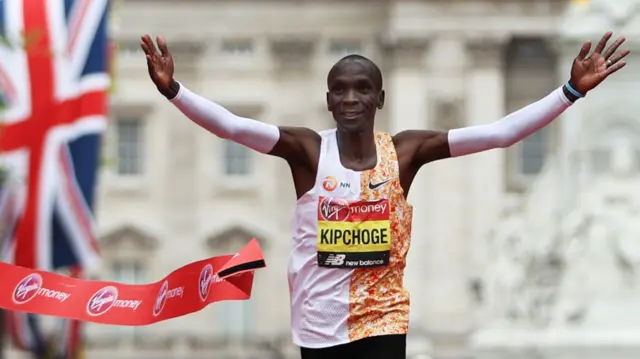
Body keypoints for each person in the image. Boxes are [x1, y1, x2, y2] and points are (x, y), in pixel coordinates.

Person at [140, 31, 628, 359]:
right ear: (328, 100)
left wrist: (569, 91)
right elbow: (233, 127)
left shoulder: (406, 151)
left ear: (379, 98)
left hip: (383, 317)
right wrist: (174, 91)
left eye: (361, 89)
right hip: (318, 321)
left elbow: (498, 134)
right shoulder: (308, 152)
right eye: (340, 90)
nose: (350, 98)